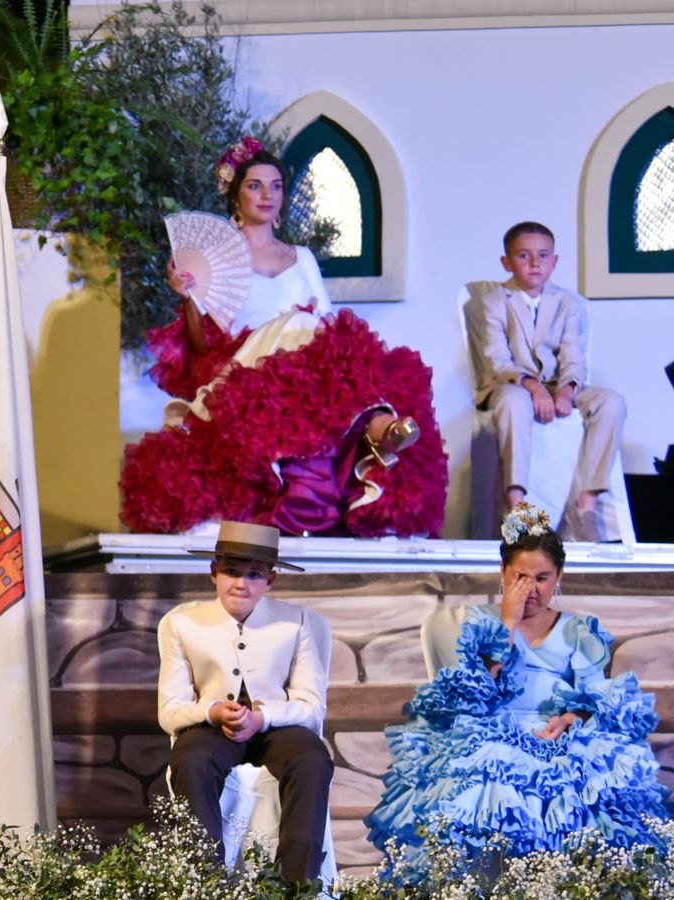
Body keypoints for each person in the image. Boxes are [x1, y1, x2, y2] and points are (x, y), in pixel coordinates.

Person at [120, 137, 447, 538]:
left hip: (303, 371)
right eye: (255, 186)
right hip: (246, 364)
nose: (267, 195)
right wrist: (187, 297)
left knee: (324, 337)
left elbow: (329, 329)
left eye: (275, 186)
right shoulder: (214, 259)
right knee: (300, 323)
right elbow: (203, 345)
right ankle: (377, 428)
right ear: (235, 196)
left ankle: (378, 428)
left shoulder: (302, 257)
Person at [365, 503, 668, 869]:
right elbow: (470, 696)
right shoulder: (477, 623)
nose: (531, 589)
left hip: (555, 734)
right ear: (503, 572)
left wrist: (571, 717)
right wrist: (507, 622)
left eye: (542, 578)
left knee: (598, 773)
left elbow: (593, 696)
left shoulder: (578, 629)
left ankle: (567, 880)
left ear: (559, 576)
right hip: (491, 728)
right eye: (520, 577)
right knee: (492, 770)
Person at [159, 521, 334, 883]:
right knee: (191, 759)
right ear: (214, 572)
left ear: (271, 580)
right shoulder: (182, 623)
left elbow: (311, 705)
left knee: (313, 758)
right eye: (231, 571)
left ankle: (295, 885)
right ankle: (204, 881)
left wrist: (262, 717)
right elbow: (170, 710)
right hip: (211, 728)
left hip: (276, 727)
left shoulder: (296, 622)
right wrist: (211, 711)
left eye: (254, 574)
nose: (241, 584)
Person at [473, 222, 627, 540]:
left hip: (559, 384)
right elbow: (498, 361)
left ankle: (586, 502)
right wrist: (533, 386)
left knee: (611, 402)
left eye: (543, 255)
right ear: (506, 262)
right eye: (523, 256)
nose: (535, 263)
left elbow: (573, 357)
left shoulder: (569, 303)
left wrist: (567, 391)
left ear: (554, 261)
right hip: (511, 385)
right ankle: (518, 505)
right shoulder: (495, 302)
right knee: (514, 401)